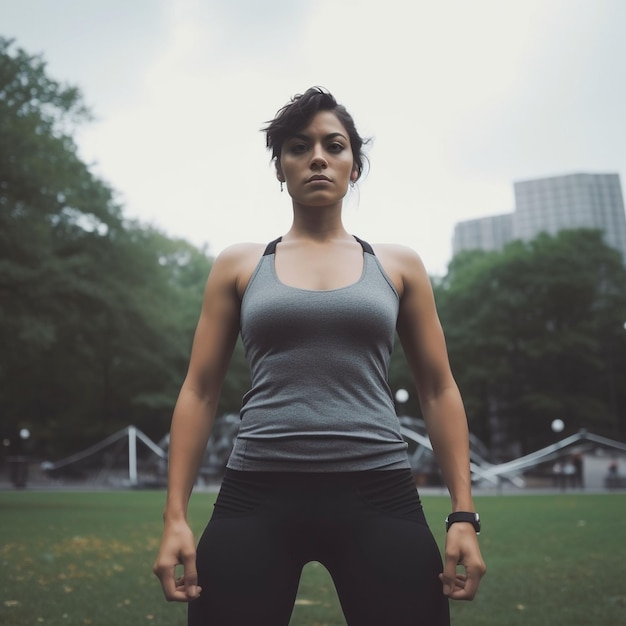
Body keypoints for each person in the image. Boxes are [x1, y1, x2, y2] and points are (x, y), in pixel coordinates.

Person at [153, 86, 486, 626]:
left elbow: (438, 389)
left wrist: (463, 515)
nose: (317, 158)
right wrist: (174, 518)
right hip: (256, 492)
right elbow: (199, 390)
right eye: (297, 147)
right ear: (280, 167)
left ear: (355, 167)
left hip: (378, 490)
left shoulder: (398, 266)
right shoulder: (239, 265)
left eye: (334, 146)